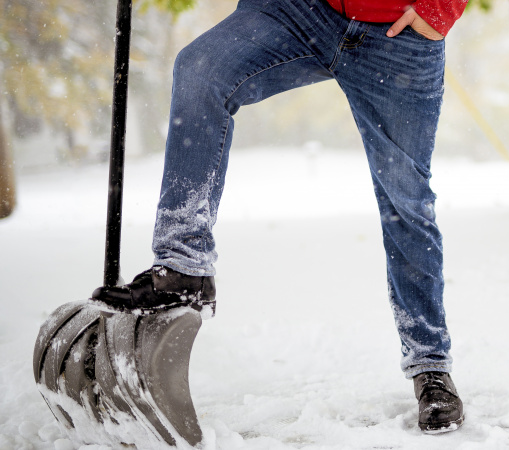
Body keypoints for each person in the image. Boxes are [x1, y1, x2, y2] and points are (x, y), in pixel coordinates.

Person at [90, 0, 468, 434]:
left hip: (397, 34)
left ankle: (430, 364)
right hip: (299, 10)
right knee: (201, 71)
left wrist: (440, 8)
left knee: (406, 201)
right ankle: (182, 266)